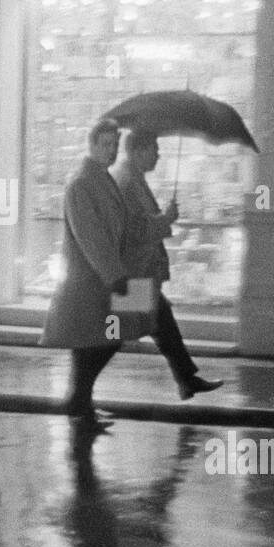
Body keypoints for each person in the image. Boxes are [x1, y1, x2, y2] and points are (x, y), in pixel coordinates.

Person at [40, 118, 143, 432]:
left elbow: (120, 226)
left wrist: (161, 221)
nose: (111, 151)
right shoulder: (82, 181)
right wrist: (115, 276)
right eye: (106, 144)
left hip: (103, 279)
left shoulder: (101, 178)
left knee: (100, 341)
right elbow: (91, 237)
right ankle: (79, 405)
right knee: (102, 341)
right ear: (92, 144)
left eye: (115, 145)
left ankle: (79, 403)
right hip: (89, 282)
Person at [110, 129, 224, 400]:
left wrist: (162, 217)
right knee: (115, 336)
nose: (158, 156)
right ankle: (80, 393)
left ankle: (187, 379)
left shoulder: (132, 179)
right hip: (133, 274)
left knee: (161, 322)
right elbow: (136, 230)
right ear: (138, 151)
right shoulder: (127, 182)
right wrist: (166, 218)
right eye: (154, 150)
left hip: (138, 274)